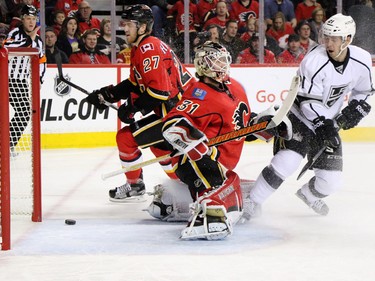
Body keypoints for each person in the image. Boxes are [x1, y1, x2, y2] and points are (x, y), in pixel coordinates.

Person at [243, 13, 374, 220]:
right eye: (326, 37)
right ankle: (253, 201)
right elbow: (307, 102)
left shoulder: (362, 60)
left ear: (347, 39)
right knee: (287, 161)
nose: (328, 42)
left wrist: (358, 108)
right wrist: (322, 124)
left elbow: (365, 91)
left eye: (334, 38)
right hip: (299, 118)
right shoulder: (314, 60)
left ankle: (307, 194)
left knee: (330, 182)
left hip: (328, 123)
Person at [85, 4, 195, 202]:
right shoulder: (142, 47)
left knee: (126, 139)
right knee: (159, 148)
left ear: (142, 27)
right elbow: (135, 83)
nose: (124, 28)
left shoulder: (148, 48)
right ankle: (184, 188)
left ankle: (136, 187)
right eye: (124, 24)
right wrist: (107, 94)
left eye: (129, 24)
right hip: (178, 112)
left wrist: (133, 108)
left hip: (179, 115)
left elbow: (159, 92)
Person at [160, 41, 252, 240]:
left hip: (222, 162)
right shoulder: (198, 93)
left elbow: (242, 124)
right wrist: (191, 139)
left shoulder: (235, 87)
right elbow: (173, 123)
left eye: (223, 60)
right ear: (203, 65)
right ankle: (208, 211)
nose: (222, 65)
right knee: (205, 167)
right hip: (194, 159)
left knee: (217, 175)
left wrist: (266, 125)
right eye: (215, 61)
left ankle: (173, 199)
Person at [3, 4, 46, 154]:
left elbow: (42, 61)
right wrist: (29, 39)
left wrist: (40, 79)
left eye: (33, 19)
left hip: (20, 82)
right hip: (6, 79)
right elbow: (7, 48)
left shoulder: (39, 41)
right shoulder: (15, 32)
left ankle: (7, 144)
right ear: (22, 19)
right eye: (28, 18)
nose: (31, 22)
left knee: (24, 113)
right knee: (22, 112)